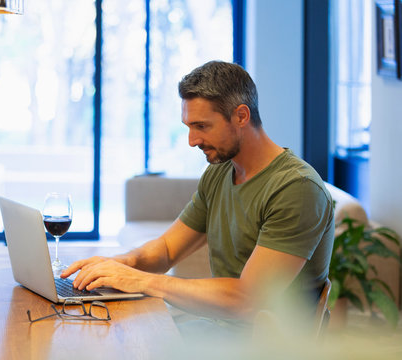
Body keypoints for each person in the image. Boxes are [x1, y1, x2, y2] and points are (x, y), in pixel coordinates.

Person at [61, 61, 334, 326]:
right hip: (219, 329)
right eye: (189, 127)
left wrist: (141, 280)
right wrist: (117, 265)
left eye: (202, 126)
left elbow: (246, 300)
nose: (192, 141)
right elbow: (167, 249)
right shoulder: (220, 172)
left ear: (241, 116)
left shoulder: (296, 188)